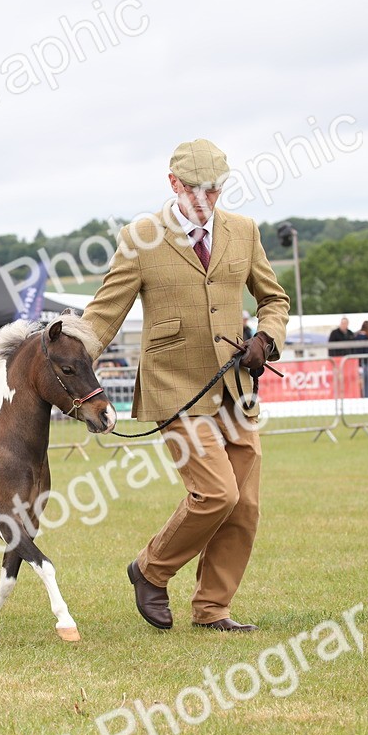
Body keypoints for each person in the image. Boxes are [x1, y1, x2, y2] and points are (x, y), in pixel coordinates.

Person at [83, 138, 290, 633]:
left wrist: (267, 337)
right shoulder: (141, 236)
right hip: (174, 385)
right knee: (217, 494)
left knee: (245, 506)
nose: (206, 199)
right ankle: (150, 571)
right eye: (195, 189)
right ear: (173, 183)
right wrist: (65, 360)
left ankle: (213, 609)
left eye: (215, 189)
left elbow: (274, 298)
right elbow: (104, 315)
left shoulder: (243, 231)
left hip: (235, 386)